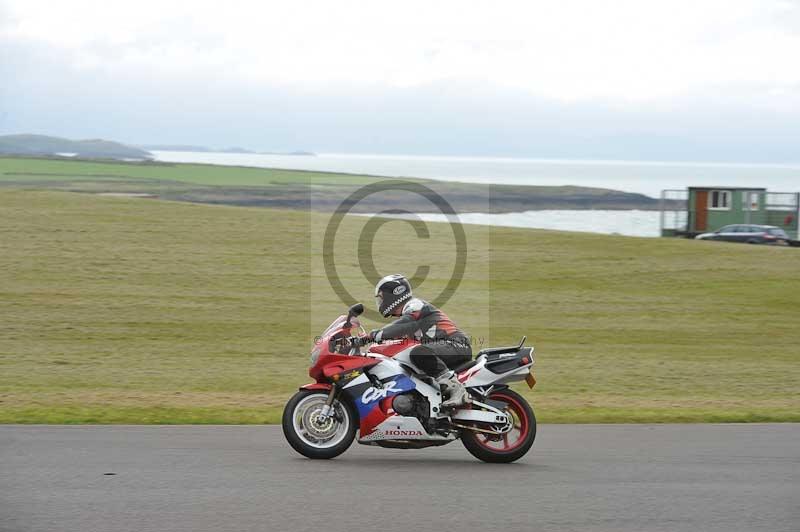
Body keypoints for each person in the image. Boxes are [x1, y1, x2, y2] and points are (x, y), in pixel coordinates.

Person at [367, 274, 472, 408]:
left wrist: (376, 334)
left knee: (418, 353)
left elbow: (405, 324)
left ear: (393, 294)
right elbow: (397, 335)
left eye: (382, 297)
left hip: (456, 344)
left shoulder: (414, 305)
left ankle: (456, 389)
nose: (380, 302)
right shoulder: (407, 317)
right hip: (443, 347)